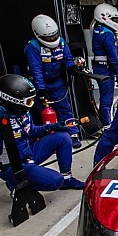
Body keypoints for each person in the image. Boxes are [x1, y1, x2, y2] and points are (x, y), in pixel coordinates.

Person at [0, 74, 84, 193]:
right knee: (55, 181)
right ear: (14, 100)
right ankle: (18, 185)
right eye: (28, 101)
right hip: (10, 166)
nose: (32, 104)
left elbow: (31, 131)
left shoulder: (22, 113)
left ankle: (67, 178)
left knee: (63, 137)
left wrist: (53, 126)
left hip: (27, 155)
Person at [24, 14, 84, 148]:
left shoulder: (61, 42)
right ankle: (51, 138)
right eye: (48, 37)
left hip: (56, 81)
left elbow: (68, 59)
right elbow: (36, 69)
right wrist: (40, 89)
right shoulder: (33, 47)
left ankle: (73, 134)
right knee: (45, 111)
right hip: (40, 83)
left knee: (65, 108)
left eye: (53, 35)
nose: (52, 39)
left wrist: (72, 68)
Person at [91, 3, 118, 127]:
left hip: (99, 67)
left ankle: (106, 123)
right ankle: (107, 125)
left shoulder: (97, 30)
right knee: (107, 99)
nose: (115, 22)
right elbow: (113, 56)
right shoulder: (107, 33)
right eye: (113, 19)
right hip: (105, 68)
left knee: (105, 98)